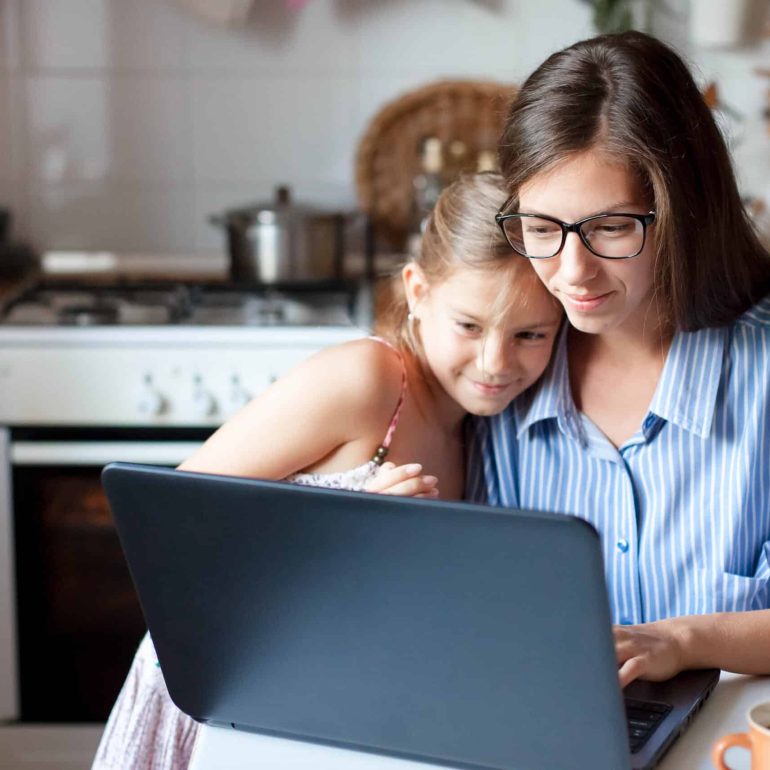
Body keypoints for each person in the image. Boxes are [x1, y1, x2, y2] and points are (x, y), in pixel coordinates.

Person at [91, 172, 563, 770]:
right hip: (217, 693)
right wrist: (354, 532)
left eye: (530, 335)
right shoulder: (369, 380)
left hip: (315, 702)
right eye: (468, 326)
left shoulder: (481, 431)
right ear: (417, 291)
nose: (496, 363)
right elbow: (163, 520)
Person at [471, 31, 770, 689]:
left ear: (683, 212)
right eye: (542, 229)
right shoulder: (504, 368)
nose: (571, 271)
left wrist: (687, 639)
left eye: (610, 228)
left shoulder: (762, 375)